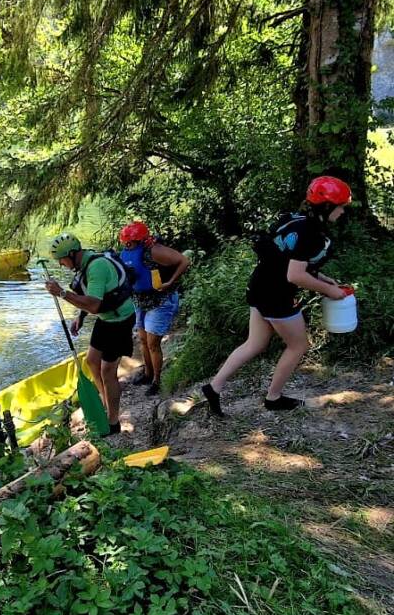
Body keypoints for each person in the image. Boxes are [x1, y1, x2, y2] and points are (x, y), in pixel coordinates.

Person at [202, 176, 353, 415]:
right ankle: (274, 398)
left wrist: (323, 278)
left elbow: (288, 259)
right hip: (276, 295)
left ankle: (214, 387)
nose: (343, 211)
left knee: (255, 343)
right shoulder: (311, 233)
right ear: (327, 207)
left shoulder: (296, 220)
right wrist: (330, 291)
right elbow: (295, 275)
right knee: (298, 345)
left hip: (259, 286)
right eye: (341, 206)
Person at [45, 233, 136, 436]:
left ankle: (113, 422)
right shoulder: (85, 264)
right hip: (106, 319)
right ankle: (104, 401)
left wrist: (61, 293)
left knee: (107, 372)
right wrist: (81, 317)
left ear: (72, 254)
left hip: (119, 321)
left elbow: (94, 304)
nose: (61, 265)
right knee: (91, 361)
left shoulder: (97, 267)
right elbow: (93, 298)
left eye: (62, 260)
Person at [119, 221, 191, 395]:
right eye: (125, 242)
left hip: (161, 301)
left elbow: (184, 261)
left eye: (130, 241)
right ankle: (147, 373)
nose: (127, 245)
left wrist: (171, 282)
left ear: (139, 239)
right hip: (140, 300)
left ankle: (156, 381)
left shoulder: (154, 251)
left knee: (152, 343)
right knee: (142, 339)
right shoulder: (126, 252)